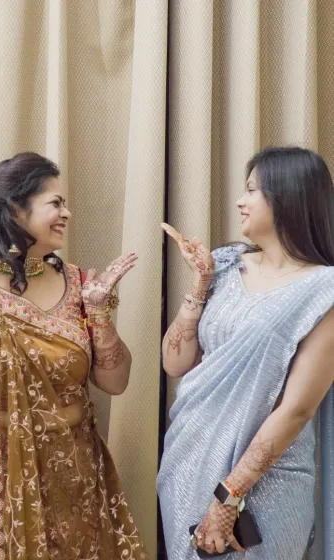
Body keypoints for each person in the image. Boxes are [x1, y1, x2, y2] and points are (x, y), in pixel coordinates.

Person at [0, 152, 149, 560]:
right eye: (55, 203)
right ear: (14, 210)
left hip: (72, 486)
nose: (67, 213)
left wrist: (99, 313)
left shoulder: (77, 284)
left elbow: (115, 383)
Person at [157, 146, 334, 559]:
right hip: (190, 460)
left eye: (252, 190)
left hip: (268, 480)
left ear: (287, 197)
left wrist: (229, 495)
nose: (240, 200)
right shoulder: (224, 265)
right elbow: (175, 363)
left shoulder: (323, 289)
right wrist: (200, 284)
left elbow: (297, 409)